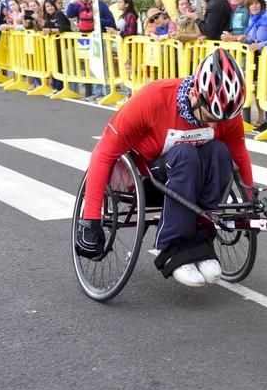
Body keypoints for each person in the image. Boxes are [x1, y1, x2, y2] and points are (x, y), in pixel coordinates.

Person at [76, 49, 253, 288]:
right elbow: (104, 154)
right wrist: (91, 218)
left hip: (192, 181)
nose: (214, 124)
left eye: (221, 119)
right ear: (194, 95)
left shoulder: (225, 112)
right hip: (147, 178)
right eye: (210, 115)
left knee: (220, 152)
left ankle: (201, 241)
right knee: (186, 154)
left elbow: (239, 155)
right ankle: (174, 244)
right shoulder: (153, 98)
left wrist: (250, 200)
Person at [237, 0, 267, 132]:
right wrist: (245, 39)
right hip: (262, 59)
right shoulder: (253, 19)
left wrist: (262, 45)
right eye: (251, 4)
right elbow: (253, 38)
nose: (254, 6)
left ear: (261, 4)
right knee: (263, 90)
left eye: (257, 3)